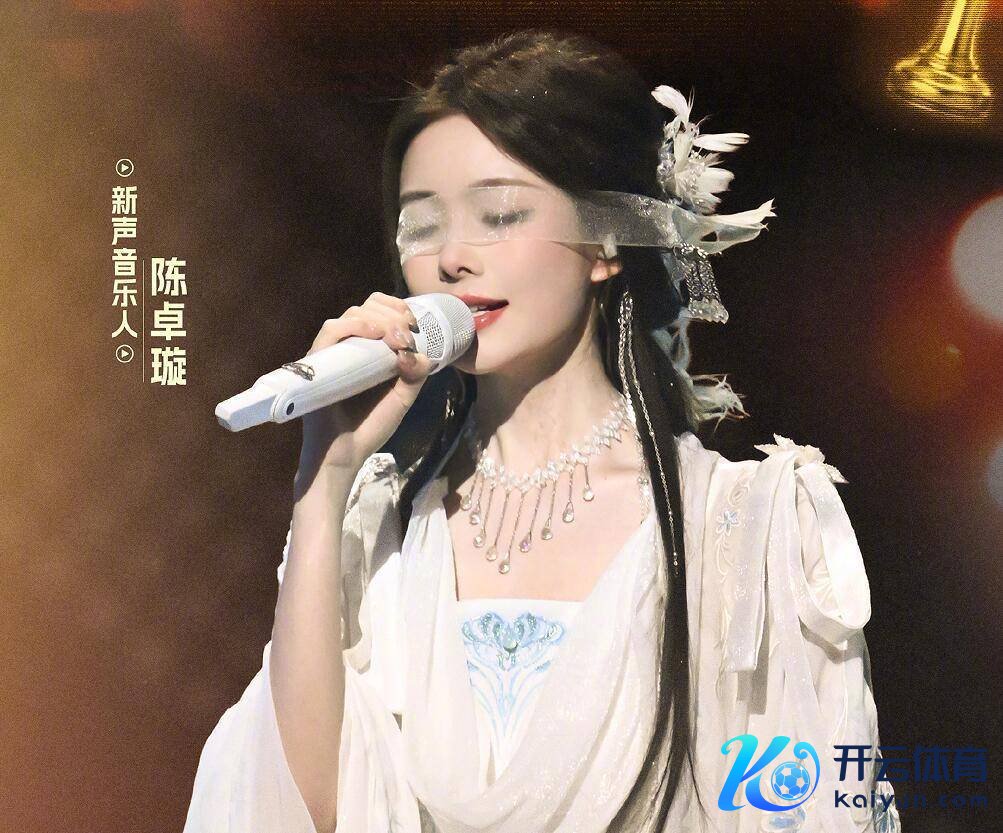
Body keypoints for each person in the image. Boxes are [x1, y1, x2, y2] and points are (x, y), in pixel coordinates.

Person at [183, 30, 900, 833]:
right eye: (421, 226)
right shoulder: (373, 531)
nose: (452, 258)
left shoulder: (743, 529)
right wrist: (324, 481)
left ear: (605, 242)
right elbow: (299, 806)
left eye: (499, 214)